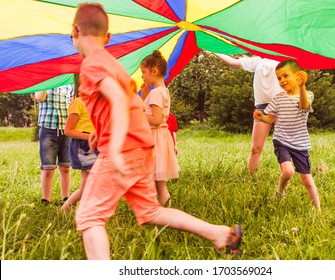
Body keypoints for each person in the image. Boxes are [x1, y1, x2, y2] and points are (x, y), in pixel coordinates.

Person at [71, 3, 242, 260]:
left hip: (124, 148)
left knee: (89, 215)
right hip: (141, 146)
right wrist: (100, 130)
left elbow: (117, 99)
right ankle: (222, 235)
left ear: (74, 31)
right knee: (150, 211)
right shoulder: (111, 63)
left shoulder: (91, 64)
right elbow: (128, 102)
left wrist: (115, 148)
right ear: (108, 38)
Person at [253, 60, 321, 209]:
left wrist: (302, 87)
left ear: (298, 76)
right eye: (279, 78)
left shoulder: (307, 95)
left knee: (307, 181)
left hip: (300, 144)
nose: (282, 80)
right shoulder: (278, 98)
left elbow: (304, 106)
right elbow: (271, 117)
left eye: (285, 76)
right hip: (281, 140)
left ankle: (318, 212)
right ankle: (280, 191)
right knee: (288, 171)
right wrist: (261, 117)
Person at [205, 51, 282, 175]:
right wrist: (214, 52)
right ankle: (251, 178)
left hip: (281, 106)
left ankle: (286, 178)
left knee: (284, 146)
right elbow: (232, 62)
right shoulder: (257, 61)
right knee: (256, 148)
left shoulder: (285, 58)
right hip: (262, 108)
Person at [140, 51, 179, 207]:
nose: (142, 76)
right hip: (159, 137)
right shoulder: (162, 91)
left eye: (143, 72)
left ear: (154, 71)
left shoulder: (156, 93)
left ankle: (163, 214)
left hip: (154, 139)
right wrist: (143, 97)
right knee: (158, 184)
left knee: (158, 185)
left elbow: (155, 119)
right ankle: (163, 213)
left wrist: (135, 115)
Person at [61, 74, 98, 212]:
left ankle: (65, 209)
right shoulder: (78, 103)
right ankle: (88, 210)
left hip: (94, 144)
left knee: (85, 186)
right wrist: (88, 137)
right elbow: (68, 130)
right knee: (95, 178)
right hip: (83, 146)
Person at [34, 84, 73, 204]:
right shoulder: (43, 82)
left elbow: (73, 105)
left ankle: (66, 198)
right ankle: (46, 199)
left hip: (66, 129)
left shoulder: (68, 84)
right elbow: (40, 97)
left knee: (66, 167)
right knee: (48, 169)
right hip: (48, 129)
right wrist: (47, 79)